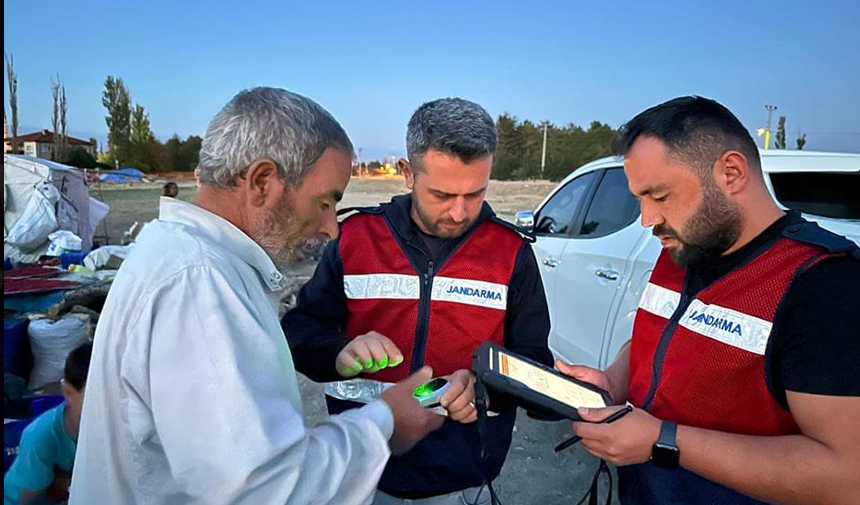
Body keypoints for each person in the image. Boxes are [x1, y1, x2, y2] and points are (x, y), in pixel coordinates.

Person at [69, 87, 443, 505]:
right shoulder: (198, 283)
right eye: (324, 202)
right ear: (263, 182)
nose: (331, 229)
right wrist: (386, 422)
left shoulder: (184, 256)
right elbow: (264, 489)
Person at [557, 96, 860, 505]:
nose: (646, 219)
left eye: (659, 196)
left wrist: (662, 441)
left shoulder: (823, 285)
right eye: (639, 199)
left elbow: (846, 475)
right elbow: (661, 338)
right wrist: (613, 381)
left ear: (731, 172)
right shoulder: (686, 249)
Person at [282, 97, 553, 504]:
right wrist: (339, 352)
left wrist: (485, 391)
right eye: (442, 194)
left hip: (462, 476)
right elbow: (300, 331)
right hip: (365, 470)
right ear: (408, 174)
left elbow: (533, 360)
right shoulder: (355, 239)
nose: (460, 213)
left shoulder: (510, 253)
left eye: (475, 193)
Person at [4, 342, 93, 505]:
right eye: (95, 396)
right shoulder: (40, 437)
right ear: (68, 392)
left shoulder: (110, 427)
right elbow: (27, 500)